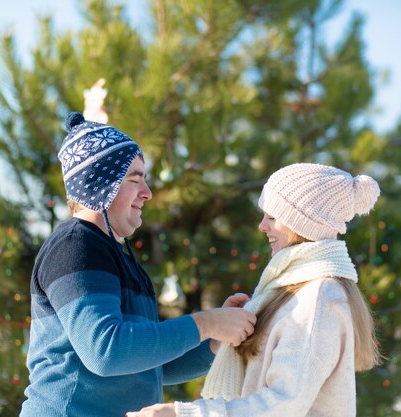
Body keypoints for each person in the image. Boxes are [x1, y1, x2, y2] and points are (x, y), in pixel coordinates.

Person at [20, 112, 256, 417]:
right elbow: (106, 351)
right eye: (135, 180)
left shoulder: (113, 252)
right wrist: (206, 322)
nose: (147, 193)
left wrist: (215, 339)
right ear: (99, 186)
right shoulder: (75, 245)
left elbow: (149, 366)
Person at [128, 163, 382, 417]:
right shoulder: (288, 290)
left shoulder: (319, 296)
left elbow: (284, 404)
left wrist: (183, 414)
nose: (262, 226)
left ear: (304, 223)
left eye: (272, 217)